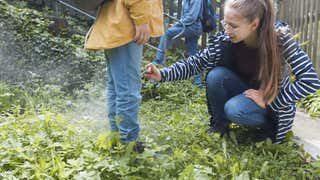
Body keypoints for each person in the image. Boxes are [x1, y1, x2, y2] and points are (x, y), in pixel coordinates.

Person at [145, 0, 320, 144]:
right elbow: (197, 62)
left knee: (234, 109)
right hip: (245, 92)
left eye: (233, 26)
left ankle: (269, 128)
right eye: (225, 23)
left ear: (254, 24)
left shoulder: (280, 38)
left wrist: (270, 100)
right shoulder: (226, 40)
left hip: (271, 104)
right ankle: (220, 125)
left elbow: (311, 80)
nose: (227, 30)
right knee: (216, 75)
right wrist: (163, 74)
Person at [84, 0, 164, 152]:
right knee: (128, 91)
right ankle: (129, 145)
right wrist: (141, 19)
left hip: (116, 22)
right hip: (126, 25)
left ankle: (118, 140)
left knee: (117, 88)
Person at [153, 0, 204, 88]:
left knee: (167, 33)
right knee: (193, 54)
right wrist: (179, 23)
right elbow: (185, 15)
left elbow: (192, 17)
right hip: (189, 25)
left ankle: (158, 61)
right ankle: (198, 82)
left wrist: (178, 24)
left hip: (193, 27)